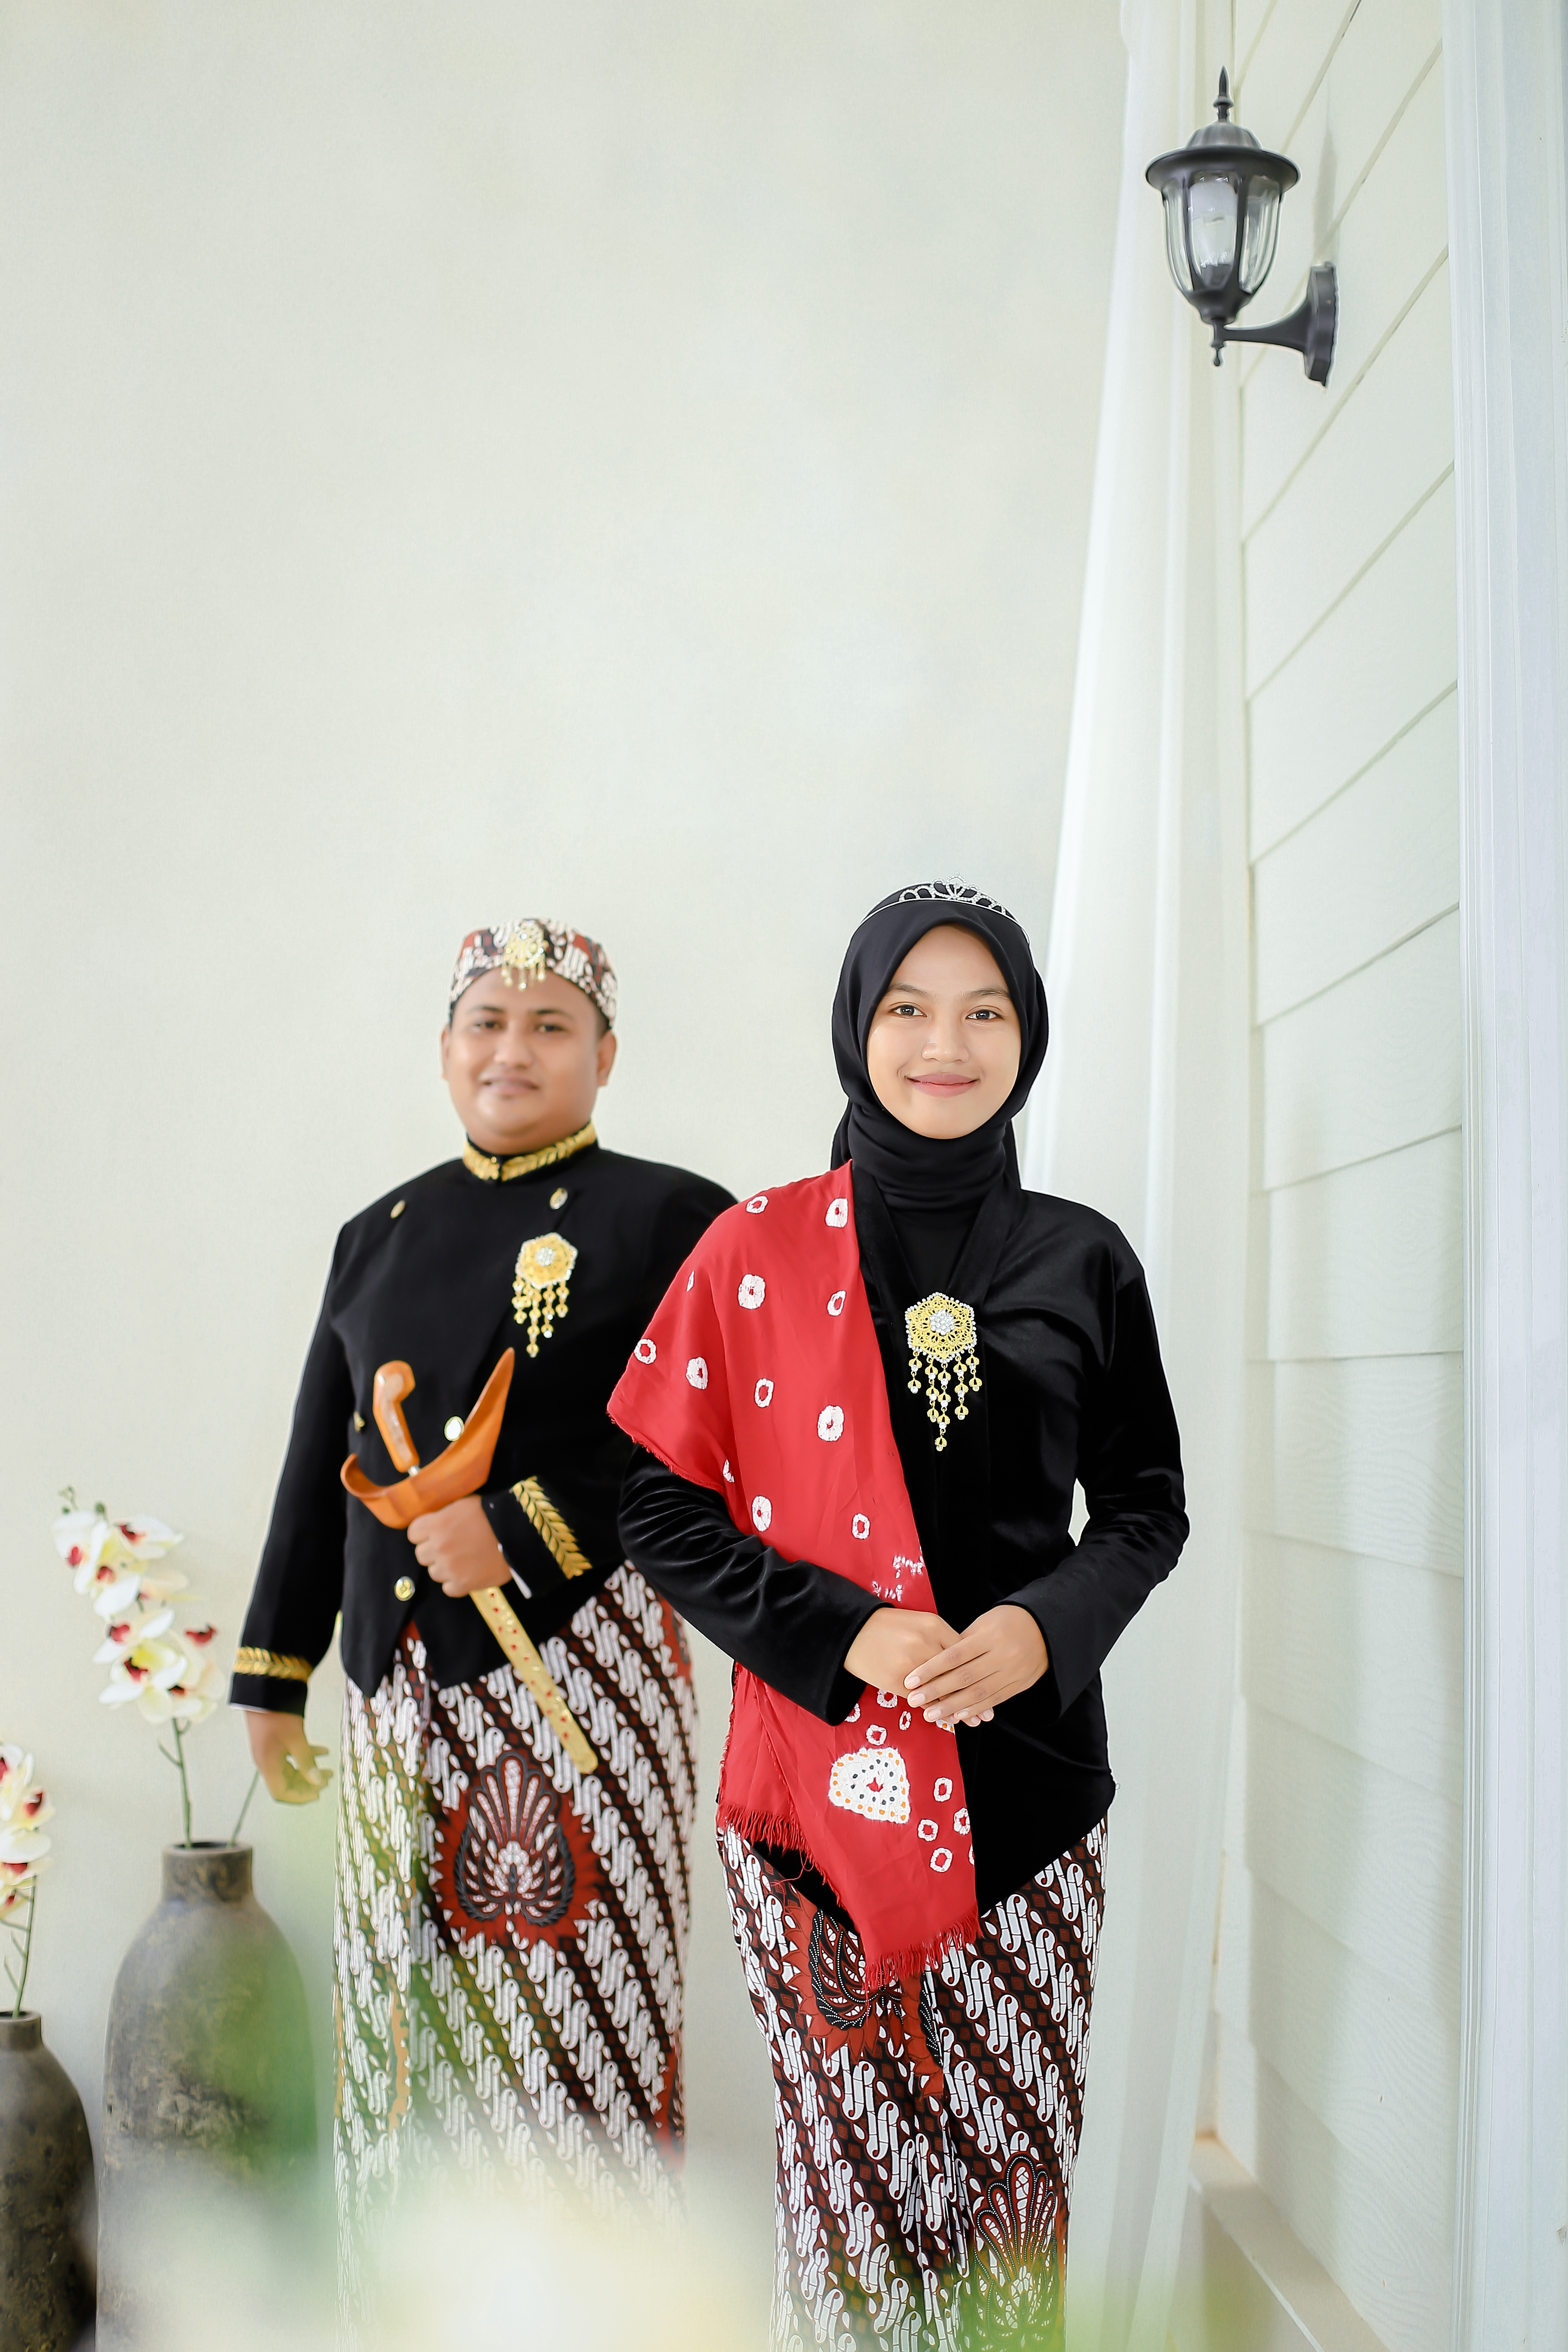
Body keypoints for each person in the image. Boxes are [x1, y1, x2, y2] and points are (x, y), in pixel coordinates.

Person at [609, 880, 1188, 2350]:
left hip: (1030, 1797)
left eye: (985, 1012)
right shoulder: (754, 1252)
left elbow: (1145, 1508)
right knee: (847, 2203)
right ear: (857, 1029)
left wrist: (1047, 1627)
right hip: (818, 1798)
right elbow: (657, 1511)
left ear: (1026, 1036)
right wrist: (846, 1632)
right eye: (911, 1009)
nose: (948, 1044)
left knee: (1010, 2201)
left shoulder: (1084, 1257)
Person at [230, 918, 730, 2320]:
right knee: (402, 2013)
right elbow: (318, 1461)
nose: (514, 1050)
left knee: (573, 2022)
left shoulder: (676, 1219)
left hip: (582, 1668)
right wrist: (274, 1673)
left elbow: (708, 1449)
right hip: (398, 1691)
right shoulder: (376, 1233)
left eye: (551, 1024)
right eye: (487, 1024)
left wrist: (517, 1526)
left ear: (605, 1056)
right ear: (446, 1049)